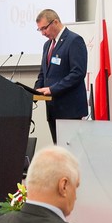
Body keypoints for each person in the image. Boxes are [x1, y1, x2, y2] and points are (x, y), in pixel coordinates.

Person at [34, 9, 88, 144]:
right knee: (58, 150)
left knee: (71, 151)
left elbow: (78, 73)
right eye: (40, 30)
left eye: (44, 28)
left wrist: (52, 89)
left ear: (56, 22)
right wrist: (34, 92)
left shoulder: (74, 40)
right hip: (53, 109)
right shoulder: (47, 45)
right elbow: (43, 73)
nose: (43, 33)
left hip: (70, 110)